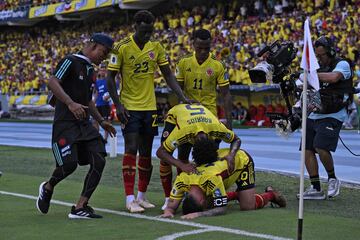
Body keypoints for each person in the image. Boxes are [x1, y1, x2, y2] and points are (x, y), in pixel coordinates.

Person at [106, 10, 193, 213]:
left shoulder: (157, 47)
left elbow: (168, 74)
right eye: (144, 31)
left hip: (150, 108)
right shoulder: (121, 48)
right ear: (136, 27)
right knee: (131, 148)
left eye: (150, 31)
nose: (148, 35)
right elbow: (110, 79)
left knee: (146, 152)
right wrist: (118, 105)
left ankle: (141, 197)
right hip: (129, 107)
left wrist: (181, 96)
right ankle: (129, 199)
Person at [36, 33, 117, 219]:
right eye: (103, 53)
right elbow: (52, 81)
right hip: (64, 123)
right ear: (93, 45)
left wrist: (102, 121)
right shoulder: (70, 61)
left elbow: (88, 100)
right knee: (69, 165)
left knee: (100, 159)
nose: (103, 58)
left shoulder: (90, 70)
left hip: (84, 124)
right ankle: (48, 187)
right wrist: (70, 103)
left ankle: (81, 206)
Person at [160, 136, 286, 219]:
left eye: (203, 204)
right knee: (212, 201)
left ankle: (271, 195)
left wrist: (199, 214)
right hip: (218, 168)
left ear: (201, 202)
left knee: (247, 207)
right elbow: (171, 206)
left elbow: (222, 208)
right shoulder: (182, 179)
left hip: (241, 161)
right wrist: (168, 211)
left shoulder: (212, 180)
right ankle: (237, 195)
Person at [297, 36, 353, 200]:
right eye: (317, 55)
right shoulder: (313, 68)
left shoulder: (342, 64)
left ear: (330, 52)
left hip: (333, 114)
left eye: (322, 55)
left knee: (320, 146)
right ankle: (315, 187)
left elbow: (334, 78)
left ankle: (333, 178)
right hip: (314, 112)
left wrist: (309, 76)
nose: (319, 58)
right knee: (307, 150)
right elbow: (304, 89)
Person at [156, 103, 241, 210]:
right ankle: (168, 197)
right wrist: (182, 165)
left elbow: (236, 139)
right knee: (167, 158)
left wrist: (231, 155)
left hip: (201, 120)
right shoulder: (182, 133)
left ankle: (190, 191)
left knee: (194, 162)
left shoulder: (217, 128)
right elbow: (160, 152)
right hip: (176, 116)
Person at [175, 29, 232, 129]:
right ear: (193, 44)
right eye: (199, 48)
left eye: (207, 48)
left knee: (211, 144)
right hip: (188, 111)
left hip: (209, 112)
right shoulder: (183, 62)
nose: (203, 51)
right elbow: (178, 90)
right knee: (184, 144)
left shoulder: (219, 65)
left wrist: (229, 124)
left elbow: (226, 94)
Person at [93, 63, 112, 142]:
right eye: (101, 70)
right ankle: (97, 136)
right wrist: (94, 101)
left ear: (106, 71)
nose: (103, 72)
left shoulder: (108, 81)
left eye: (104, 70)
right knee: (95, 121)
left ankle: (105, 139)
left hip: (105, 104)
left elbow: (112, 91)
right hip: (98, 104)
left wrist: (109, 96)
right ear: (99, 72)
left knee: (106, 122)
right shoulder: (97, 82)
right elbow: (96, 92)